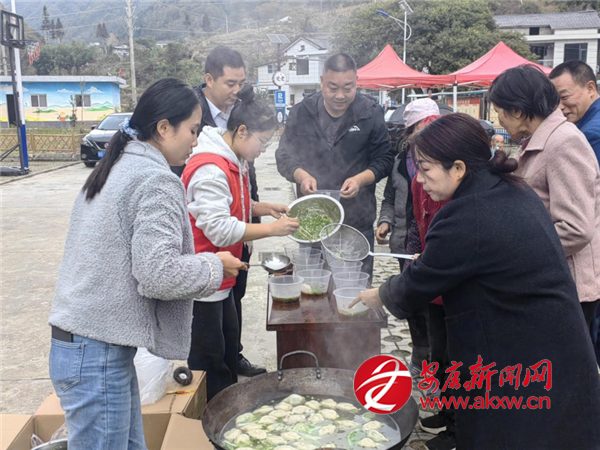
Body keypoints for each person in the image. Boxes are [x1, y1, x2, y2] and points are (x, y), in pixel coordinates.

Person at [350, 113, 600, 450]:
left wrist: (379, 294)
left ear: (458, 168)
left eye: (425, 169)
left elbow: (418, 284)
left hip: (522, 364)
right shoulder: (511, 190)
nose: (419, 179)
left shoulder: (467, 215)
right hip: (555, 349)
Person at [48, 78, 245, 449]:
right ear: (164, 128)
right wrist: (213, 266)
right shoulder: (154, 179)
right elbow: (158, 275)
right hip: (97, 351)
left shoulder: (116, 167)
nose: (196, 140)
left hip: (86, 345)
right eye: (192, 130)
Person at [182, 85, 299, 400]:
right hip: (204, 280)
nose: (264, 150)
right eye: (264, 142)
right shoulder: (210, 168)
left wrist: (262, 208)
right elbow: (219, 229)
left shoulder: (234, 157)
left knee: (228, 348)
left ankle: (227, 402)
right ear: (242, 131)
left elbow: (231, 205)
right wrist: (273, 229)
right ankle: (210, 413)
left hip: (223, 277)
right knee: (209, 362)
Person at [489, 64, 600, 330]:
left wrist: (512, 250)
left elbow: (576, 229)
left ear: (517, 111)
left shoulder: (564, 142)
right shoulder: (539, 139)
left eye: (499, 113)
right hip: (548, 281)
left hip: (566, 289)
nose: (499, 122)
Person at [276, 53, 393, 278]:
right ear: (322, 82)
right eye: (333, 88)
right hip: (312, 221)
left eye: (348, 88)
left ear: (356, 82)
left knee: (355, 287)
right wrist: (301, 176)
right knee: (314, 287)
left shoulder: (369, 112)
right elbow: (283, 155)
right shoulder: (302, 112)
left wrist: (360, 179)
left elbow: (385, 159)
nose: (340, 95)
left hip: (356, 221)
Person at [186, 46, 266, 377]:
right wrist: (272, 229)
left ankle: (233, 359)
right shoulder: (193, 119)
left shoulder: (241, 115)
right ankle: (216, 384)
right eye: (230, 83)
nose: (236, 90)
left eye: (241, 83)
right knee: (209, 339)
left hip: (234, 235)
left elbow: (241, 184)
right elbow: (214, 220)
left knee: (231, 310)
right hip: (207, 251)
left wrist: (257, 209)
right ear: (209, 79)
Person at [376, 99, 440, 381]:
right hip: (406, 243)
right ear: (410, 131)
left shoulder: (445, 161)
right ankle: (419, 355)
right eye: (419, 128)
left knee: (437, 308)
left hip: (436, 244)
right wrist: (385, 221)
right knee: (413, 303)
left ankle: (437, 365)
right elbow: (389, 198)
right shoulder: (400, 162)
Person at [549, 60, 600, 161]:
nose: (559, 107)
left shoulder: (591, 135)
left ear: (590, 88)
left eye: (564, 97)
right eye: (555, 100)